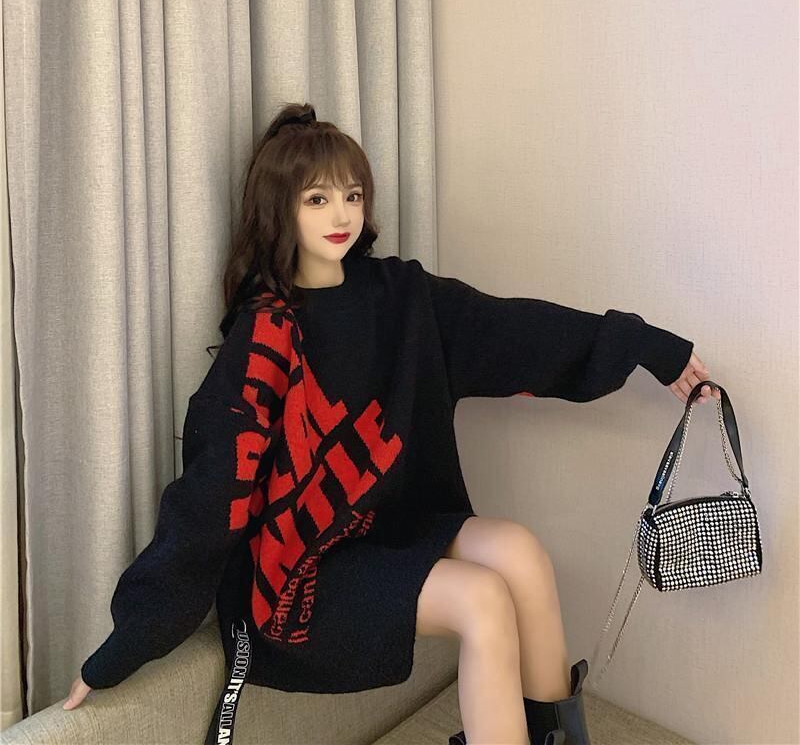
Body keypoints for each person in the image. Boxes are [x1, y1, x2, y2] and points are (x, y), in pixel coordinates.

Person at [62, 102, 719, 745]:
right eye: (317, 199)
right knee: (483, 599)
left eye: (352, 195)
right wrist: (127, 644)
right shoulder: (264, 338)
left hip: (395, 527)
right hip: (299, 574)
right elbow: (209, 499)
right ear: (280, 208)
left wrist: (646, 346)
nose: (342, 214)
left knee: (519, 551)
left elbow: (513, 331)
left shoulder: (401, 297)